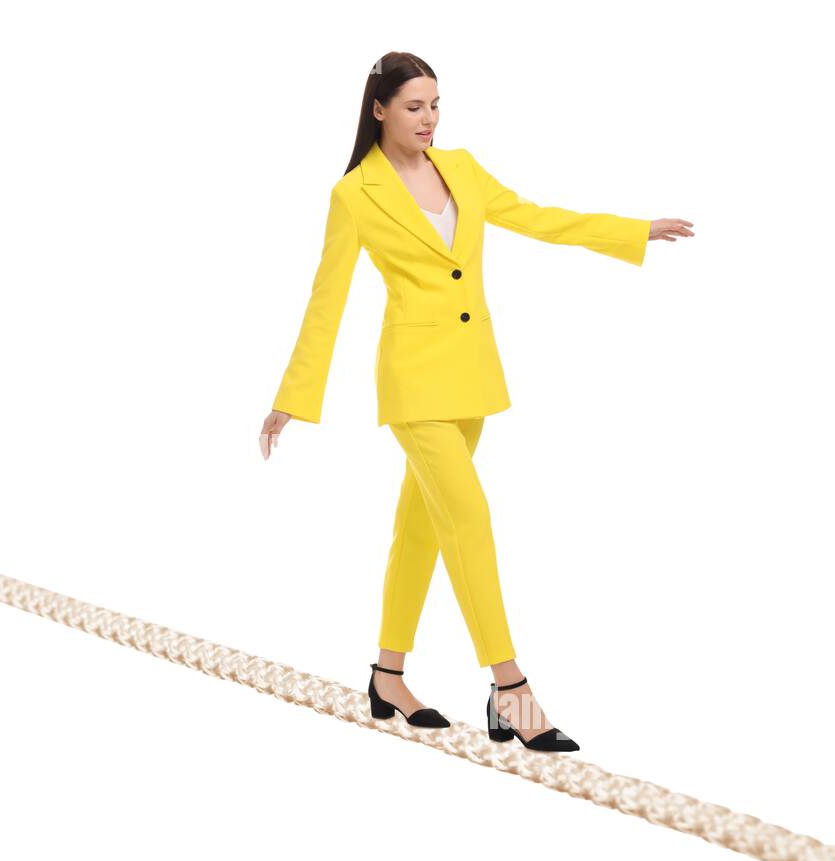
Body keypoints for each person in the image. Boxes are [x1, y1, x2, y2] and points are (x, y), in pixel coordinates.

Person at [258, 52, 694, 751]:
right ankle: (511, 689)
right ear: (379, 109)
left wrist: (630, 230)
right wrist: (292, 397)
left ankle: (388, 676)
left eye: (435, 105)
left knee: (422, 530)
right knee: (469, 517)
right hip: (414, 384)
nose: (428, 119)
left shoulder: (461, 166)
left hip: (471, 380)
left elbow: (534, 217)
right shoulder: (355, 195)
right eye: (413, 107)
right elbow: (326, 302)